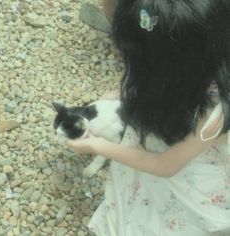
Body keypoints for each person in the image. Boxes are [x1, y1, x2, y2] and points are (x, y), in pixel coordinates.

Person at [69, 0, 230, 235]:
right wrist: (122, 95)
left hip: (185, 177)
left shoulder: (215, 113)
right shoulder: (196, 68)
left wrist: (97, 145)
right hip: (164, 145)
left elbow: (165, 165)